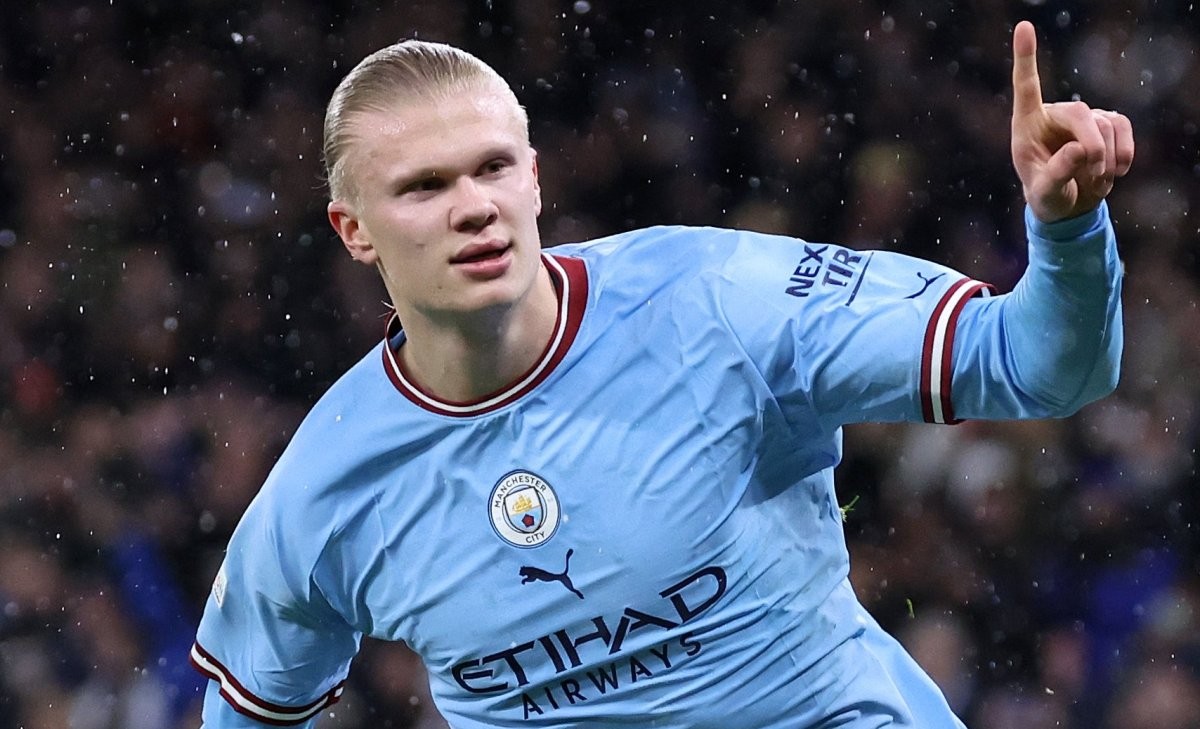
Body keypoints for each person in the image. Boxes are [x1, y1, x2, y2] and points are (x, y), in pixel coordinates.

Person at [189, 20, 1134, 728]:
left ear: (534, 178)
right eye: (425, 186)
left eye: (493, 169)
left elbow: (1038, 368)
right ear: (353, 230)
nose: (473, 207)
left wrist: (1066, 231)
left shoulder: (717, 302)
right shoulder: (322, 493)